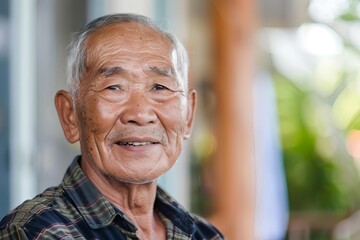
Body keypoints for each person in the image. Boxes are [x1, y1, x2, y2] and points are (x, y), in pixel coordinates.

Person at [0, 13, 224, 239]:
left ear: (188, 116)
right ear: (70, 115)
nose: (140, 113)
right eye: (114, 87)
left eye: (160, 87)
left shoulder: (205, 235)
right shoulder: (35, 231)